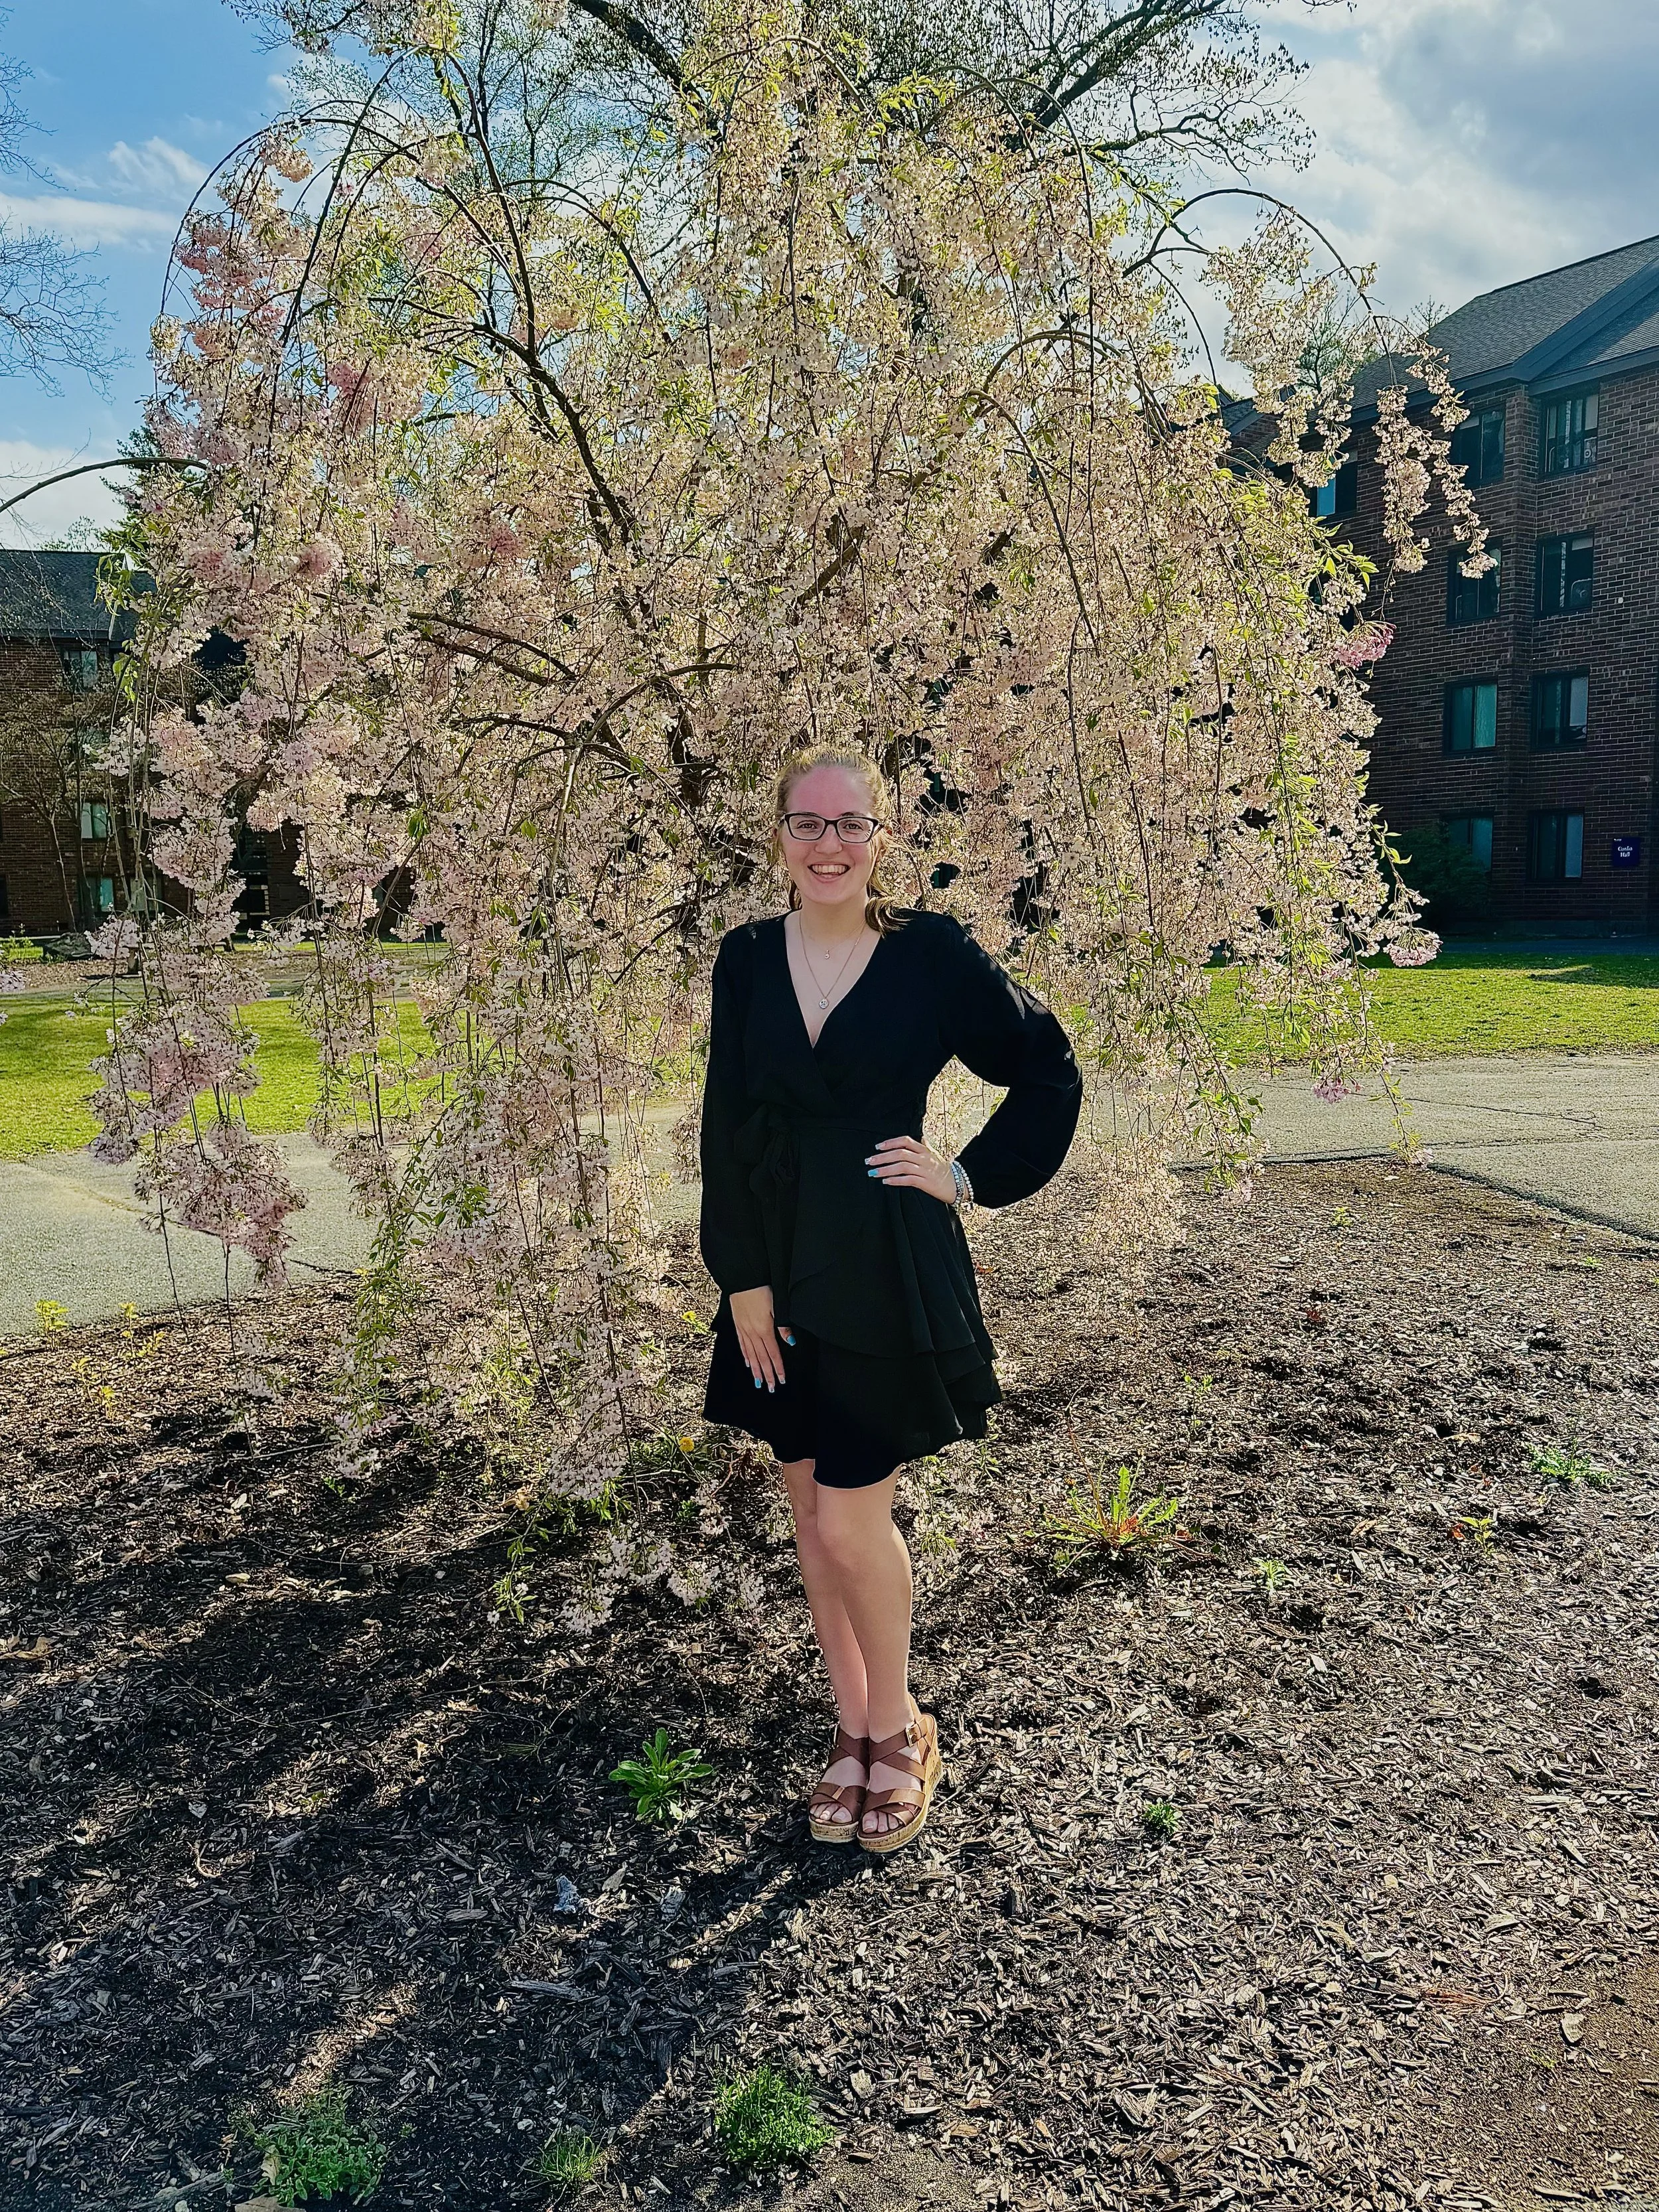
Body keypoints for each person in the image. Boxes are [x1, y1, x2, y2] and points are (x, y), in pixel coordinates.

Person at [698, 747, 1082, 1853]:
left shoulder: (930, 956)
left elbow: (1045, 1065)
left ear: (883, 837)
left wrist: (966, 1174)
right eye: (807, 823)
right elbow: (728, 1123)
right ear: (778, 835)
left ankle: (904, 1727)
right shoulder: (746, 957)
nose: (830, 845)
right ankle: (855, 1729)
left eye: (851, 824)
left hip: (879, 1256)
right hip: (776, 1257)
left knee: (853, 1517)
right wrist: (744, 1284)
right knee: (810, 1523)